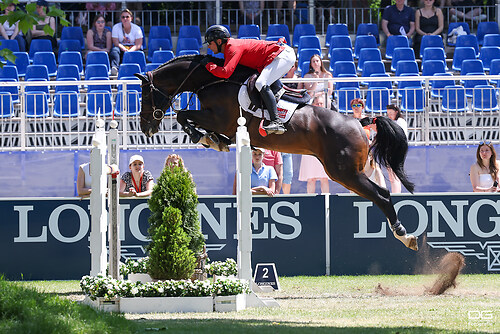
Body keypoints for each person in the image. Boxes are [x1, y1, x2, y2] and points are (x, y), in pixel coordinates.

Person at [201, 24, 296, 135]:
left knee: (261, 83)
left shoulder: (232, 47)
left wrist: (209, 65)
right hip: (278, 56)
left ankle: (276, 121)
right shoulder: (230, 48)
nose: (208, 47)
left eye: (209, 43)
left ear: (218, 42)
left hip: (283, 55)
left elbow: (225, 73)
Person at [298, 97, 330, 194]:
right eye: (317, 103)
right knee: (311, 179)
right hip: (310, 150)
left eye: (321, 103)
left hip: (322, 150)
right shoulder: (307, 116)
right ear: (313, 104)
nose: (319, 105)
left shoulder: (328, 117)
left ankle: (326, 202)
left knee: (324, 178)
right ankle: (310, 201)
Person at [110, 9, 143, 76]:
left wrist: (129, 51)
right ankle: (115, 68)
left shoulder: (137, 29)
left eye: (127, 17)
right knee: (114, 50)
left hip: (133, 47)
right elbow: (116, 43)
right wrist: (124, 49)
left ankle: (140, 70)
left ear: (131, 18)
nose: (125, 19)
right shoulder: (116, 27)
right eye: (123, 17)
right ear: (121, 19)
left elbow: (138, 45)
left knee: (139, 52)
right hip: (121, 47)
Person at [385, 104, 408, 193]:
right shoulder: (392, 122)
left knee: (394, 175)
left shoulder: (400, 121)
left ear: (396, 112)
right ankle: (396, 192)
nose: (389, 115)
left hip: (396, 150)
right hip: (391, 150)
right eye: (388, 113)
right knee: (392, 175)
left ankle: (396, 193)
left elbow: (401, 137)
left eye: (391, 113)